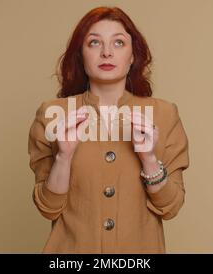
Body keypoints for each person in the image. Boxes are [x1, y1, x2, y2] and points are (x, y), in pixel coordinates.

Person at [28, 6, 190, 253]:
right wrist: (64, 157)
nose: (106, 52)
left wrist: (149, 159)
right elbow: (48, 207)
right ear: (81, 55)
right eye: (94, 43)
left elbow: (170, 206)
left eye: (118, 43)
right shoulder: (53, 115)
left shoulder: (164, 115)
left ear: (133, 55)